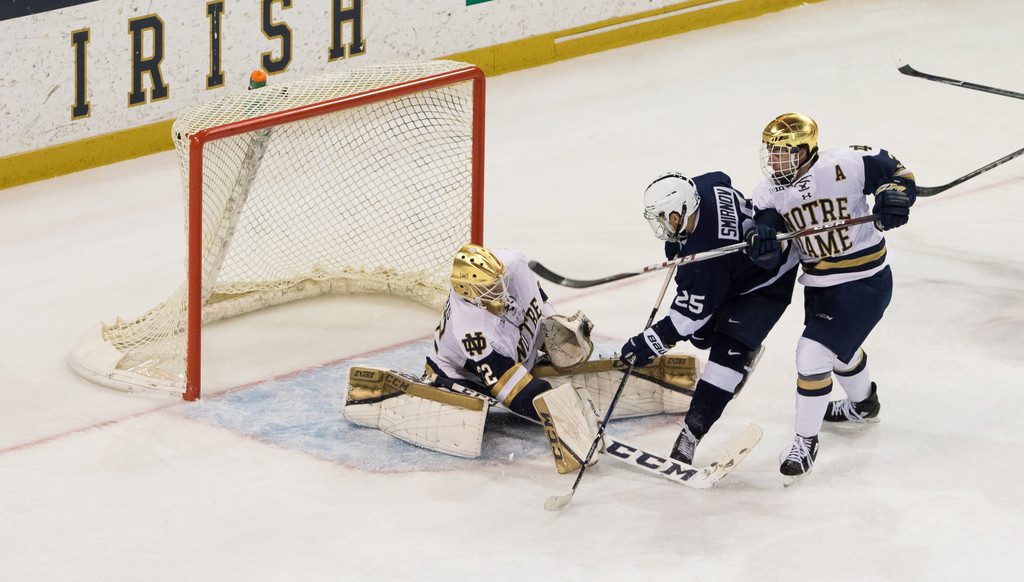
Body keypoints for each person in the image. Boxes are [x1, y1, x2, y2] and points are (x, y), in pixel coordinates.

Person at [344, 243, 696, 472]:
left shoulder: (512, 264)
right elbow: (509, 391)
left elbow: (538, 299)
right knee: (479, 411)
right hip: (467, 376)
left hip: (514, 350)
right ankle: (417, 386)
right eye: (488, 289)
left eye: (498, 281)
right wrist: (556, 411)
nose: (499, 288)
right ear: (468, 293)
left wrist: (552, 332)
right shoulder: (474, 332)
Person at [745, 112, 916, 483]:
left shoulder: (847, 163)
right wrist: (762, 245)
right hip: (821, 290)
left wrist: (896, 195)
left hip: (866, 282)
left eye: (782, 153)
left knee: (812, 355)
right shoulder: (768, 191)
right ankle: (863, 405)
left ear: (805, 151)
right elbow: (769, 232)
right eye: (770, 152)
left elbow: (898, 173)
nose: (773, 160)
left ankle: (804, 442)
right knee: (839, 351)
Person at [619, 171, 798, 465]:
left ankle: (691, 433)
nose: (661, 226)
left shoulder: (705, 259)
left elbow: (690, 315)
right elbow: (722, 177)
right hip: (733, 270)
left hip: (767, 280)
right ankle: (735, 355)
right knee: (701, 337)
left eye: (665, 218)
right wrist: (680, 242)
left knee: (726, 355)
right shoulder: (701, 188)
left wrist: (652, 340)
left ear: (681, 213)